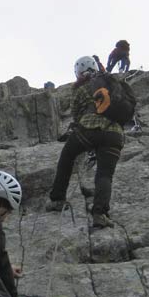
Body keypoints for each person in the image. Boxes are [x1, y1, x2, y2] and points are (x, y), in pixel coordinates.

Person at [46, 56, 124, 229]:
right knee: (105, 174)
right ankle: (100, 214)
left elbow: (76, 114)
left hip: (89, 131)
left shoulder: (82, 89)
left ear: (78, 72)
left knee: (67, 155)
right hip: (115, 135)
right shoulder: (111, 83)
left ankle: (58, 198)